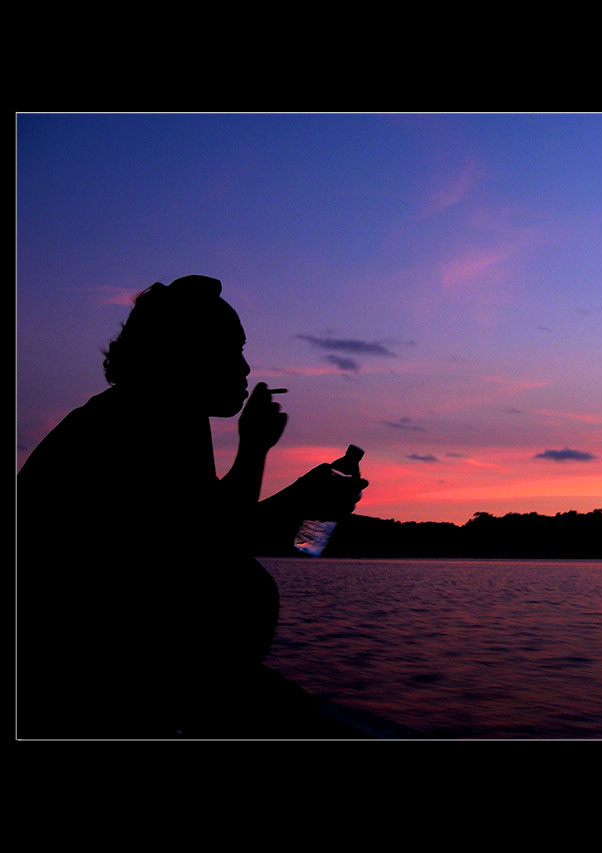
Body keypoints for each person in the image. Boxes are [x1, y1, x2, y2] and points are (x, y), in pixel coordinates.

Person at [16, 275, 368, 738]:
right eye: (230, 348)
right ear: (181, 352)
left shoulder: (161, 415)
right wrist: (260, 453)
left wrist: (306, 499)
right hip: (83, 681)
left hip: (141, 675)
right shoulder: (137, 422)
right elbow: (211, 547)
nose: (245, 366)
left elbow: (211, 530)